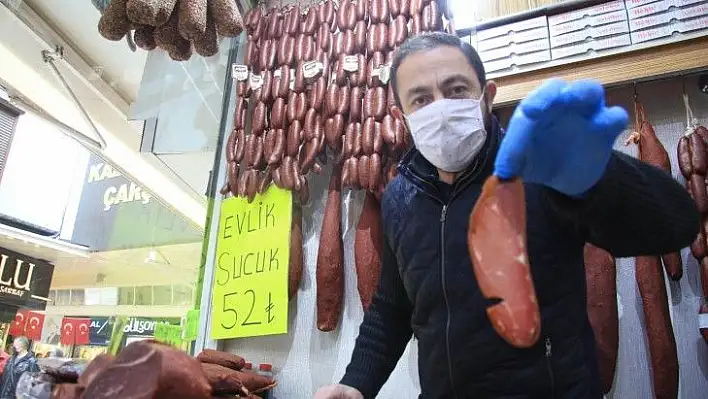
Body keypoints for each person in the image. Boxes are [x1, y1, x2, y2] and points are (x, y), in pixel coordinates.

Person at [314, 32, 699, 399]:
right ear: (402, 117)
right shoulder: (401, 196)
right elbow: (392, 307)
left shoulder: (540, 168)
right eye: (421, 99)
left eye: (456, 90)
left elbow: (673, 224)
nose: (441, 110)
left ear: (487, 96)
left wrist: (598, 170)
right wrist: (357, 384)